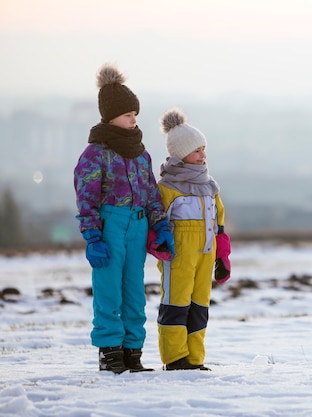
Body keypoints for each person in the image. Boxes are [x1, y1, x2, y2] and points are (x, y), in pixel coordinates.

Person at [74, 63, 175, 374]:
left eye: (135, 114)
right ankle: (110, 352)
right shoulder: (96, 154)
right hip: (110, 226)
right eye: (129, 114)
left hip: (138, 223)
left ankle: (133, 351)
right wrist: (92, 236)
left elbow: (150, 193)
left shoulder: (140, 153)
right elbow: (86, 197)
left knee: (134, 291)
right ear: (111, 116)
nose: (134, 119)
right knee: (108, 290)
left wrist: (159, 224)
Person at [156, 108, 231, 371]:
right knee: (176, 303)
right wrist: (161, 245)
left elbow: (219, 224)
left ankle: (195, 358)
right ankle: (175, 357)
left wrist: (222, 257)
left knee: (199, 305)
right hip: (178, 257)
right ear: (180, 153)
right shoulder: (167, 188)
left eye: (204, 148)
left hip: (206, 256)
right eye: (197, 150)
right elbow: (156, 222)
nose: (203, 155)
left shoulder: (209, 186)